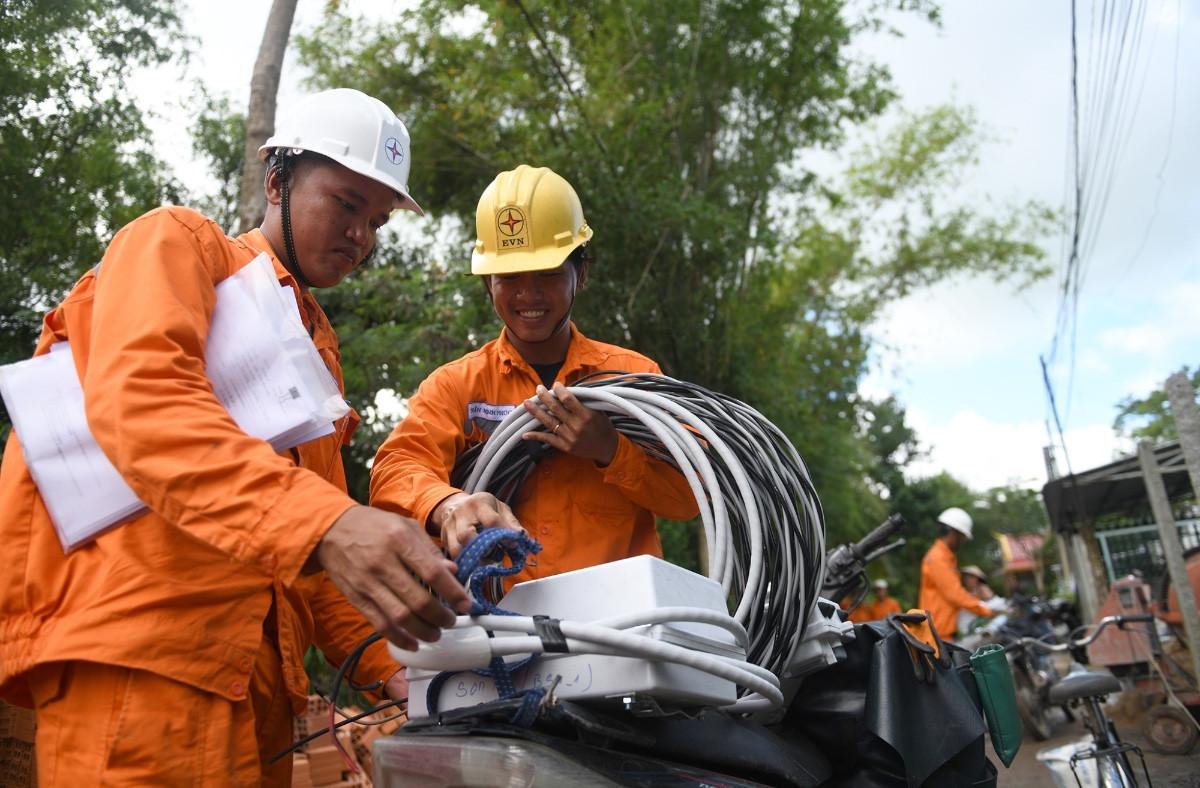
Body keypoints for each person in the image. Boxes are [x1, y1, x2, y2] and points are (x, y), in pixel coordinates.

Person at [0, 88, 470, 786]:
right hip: (143, 666)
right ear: (276, 179)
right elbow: (146, 404)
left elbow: (324, 565)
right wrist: (332, 526)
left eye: (376, 221)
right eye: (346, 204)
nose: (361, 238)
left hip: (255, 692)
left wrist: (404, 676)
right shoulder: (181, 245)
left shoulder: (317, 352)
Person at [370, 164, 699, 580]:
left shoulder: (635, 378)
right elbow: (397, 471)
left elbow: (690, 497)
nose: (528, 293)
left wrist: (610, 449)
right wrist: (449, 505)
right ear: (488, 282)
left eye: (547, 274)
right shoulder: (457, 386)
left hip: (621, 627)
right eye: (510, 277)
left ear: (580, 275)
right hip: (504, 629)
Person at [918, 507, 994, 642]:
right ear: (953, 532)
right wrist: (985, 609)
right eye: (962, 537)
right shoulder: (938, 558)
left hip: (943, 632)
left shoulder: (946, 558)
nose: (963, 541)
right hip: (938, 635)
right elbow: (954, 594)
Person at [957, 565, 1007, 638]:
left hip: (973, 632)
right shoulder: (961, 594)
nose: (967, 579)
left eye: (971, 577)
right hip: (965, 633)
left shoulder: (983, 598)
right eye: (966, 576)